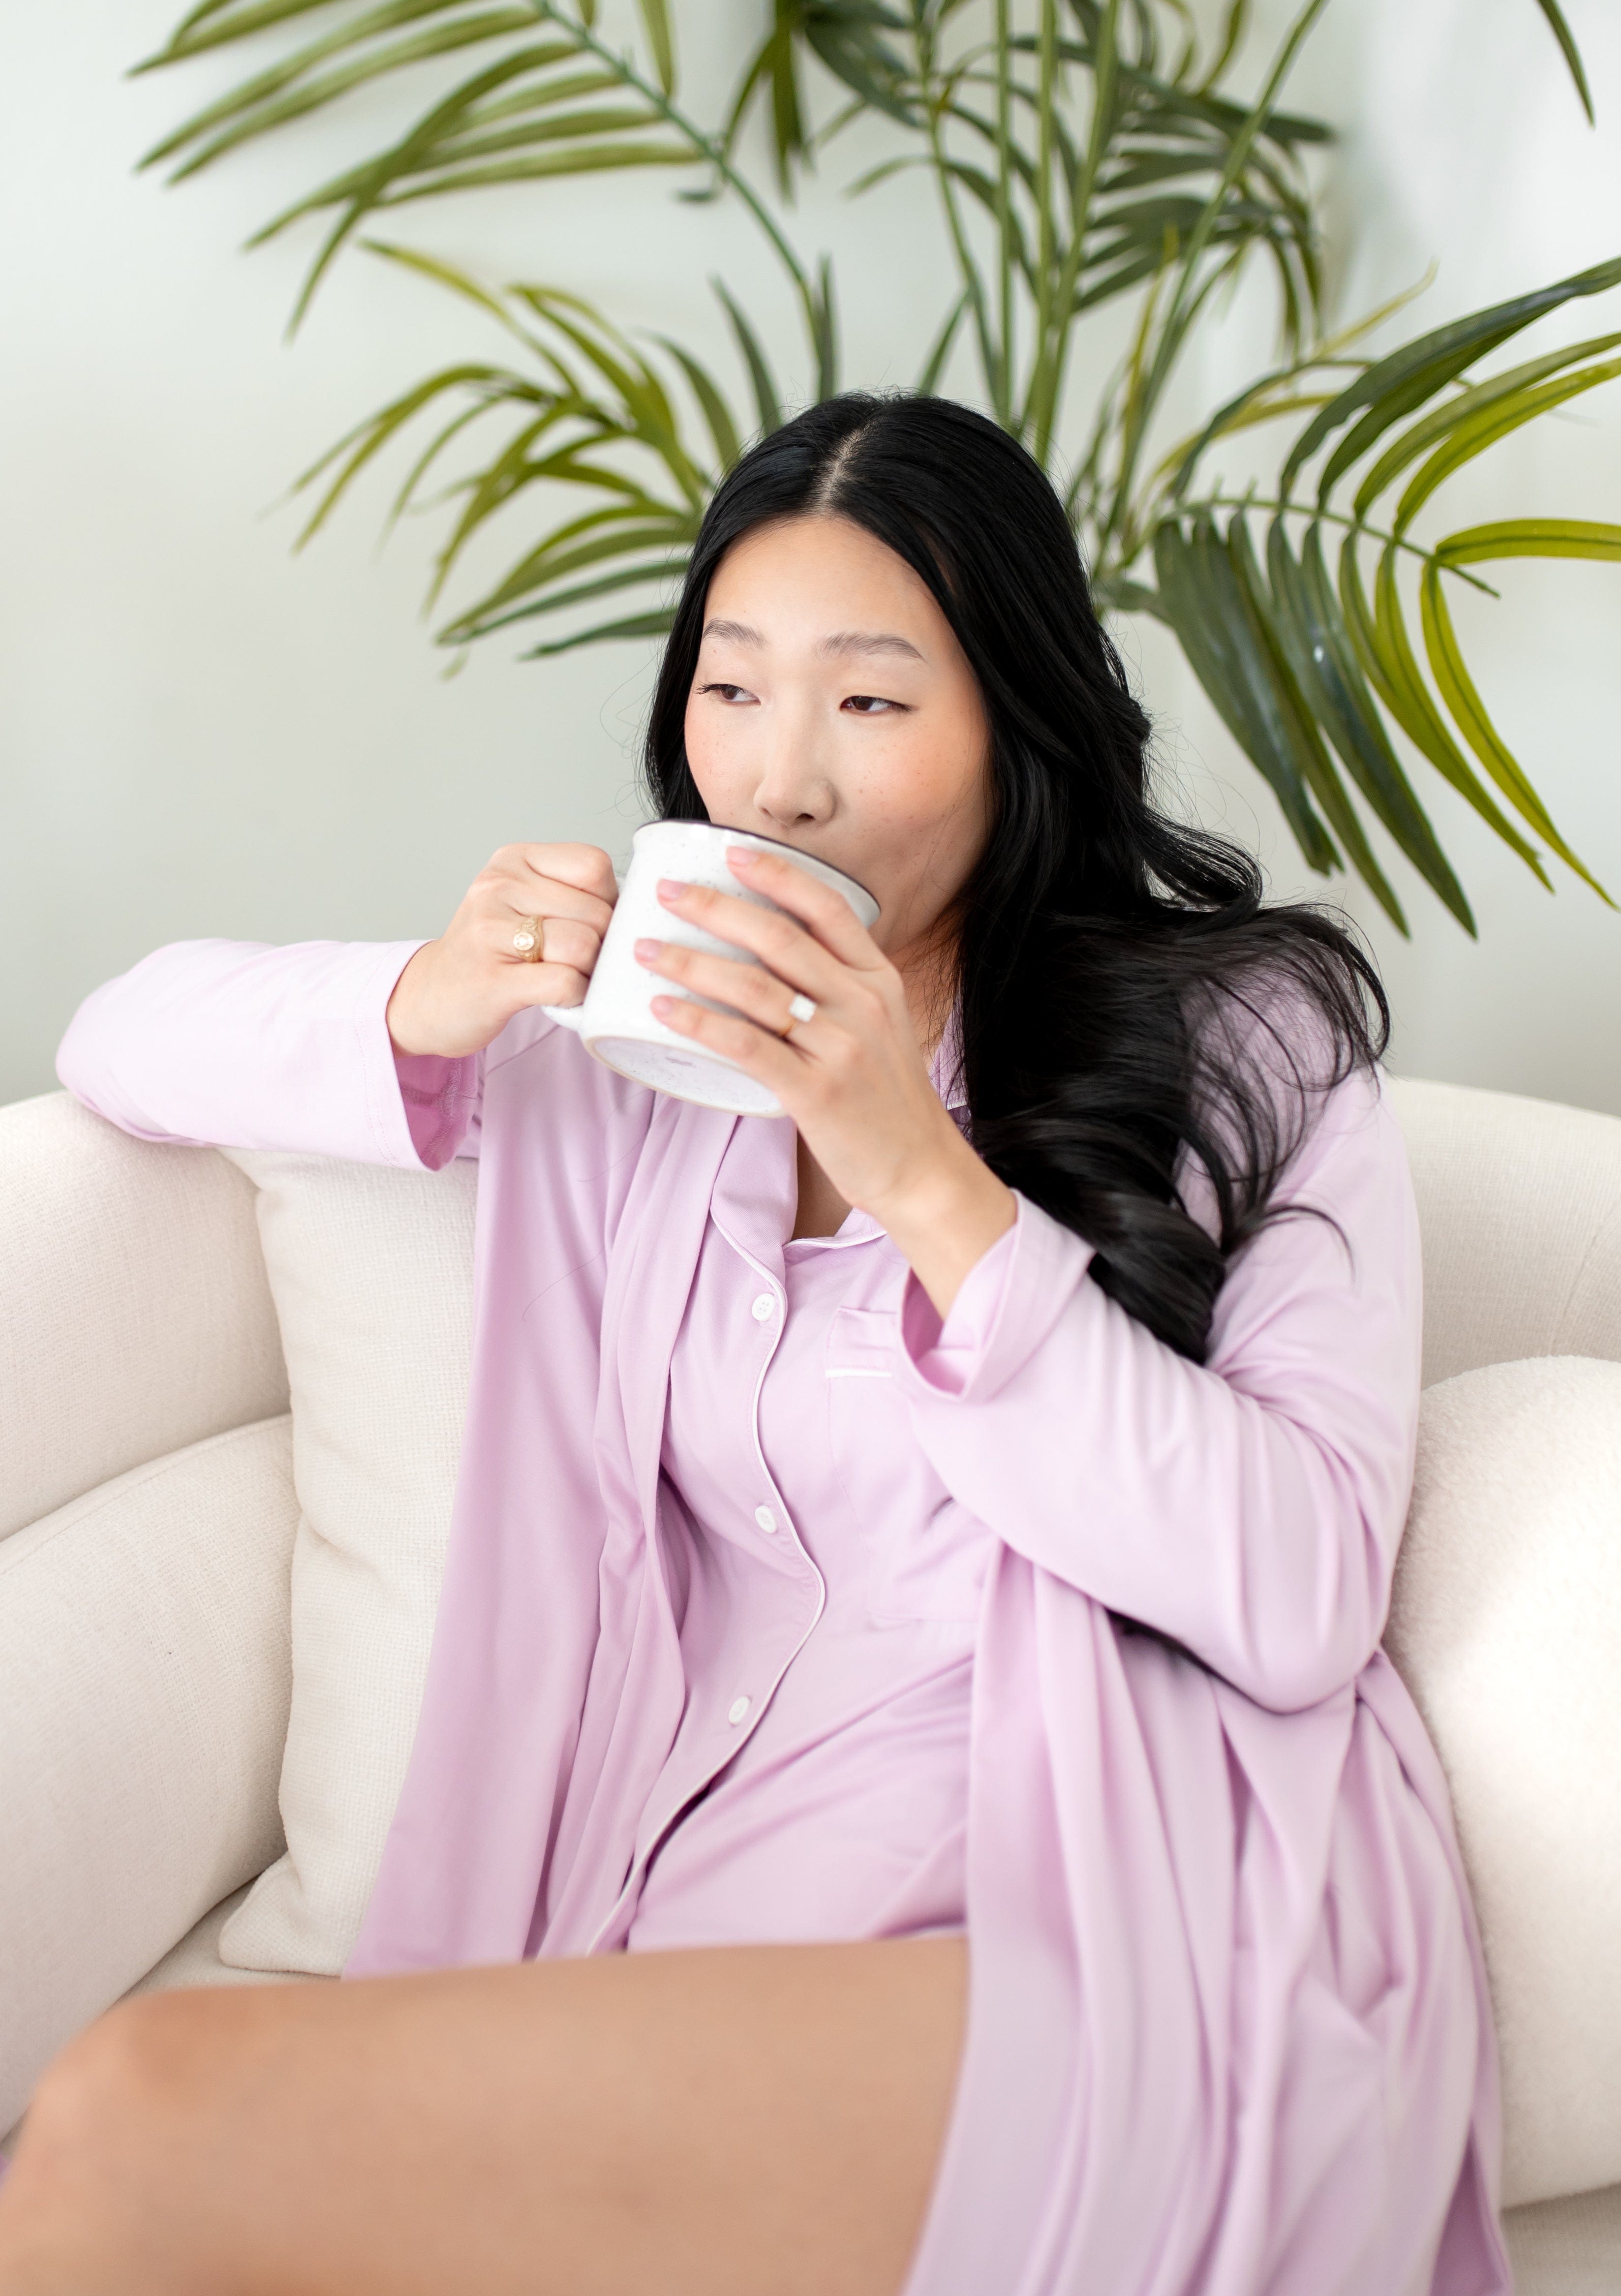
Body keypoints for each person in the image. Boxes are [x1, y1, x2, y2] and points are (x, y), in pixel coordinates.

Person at [1, 392, 1511, 2295]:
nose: (778, 781)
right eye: (734, 688)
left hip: (1115, 1936)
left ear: (1017, 720)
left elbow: (1297, 1590)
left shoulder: (1246, 1040)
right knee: (146, 2145)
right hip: (695, 1924)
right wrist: (434, 990)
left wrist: (917, 1168)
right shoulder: (645, 1063)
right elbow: (122, 1040)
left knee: (140, 2108)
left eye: (871, 702)